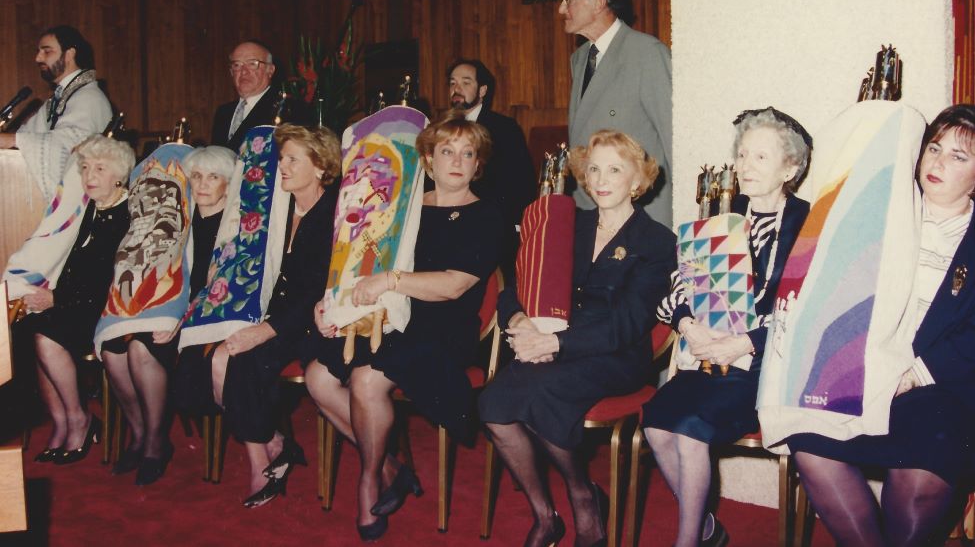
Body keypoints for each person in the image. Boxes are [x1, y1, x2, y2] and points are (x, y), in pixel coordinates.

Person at [305, 111, 503, 541]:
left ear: (477, 164)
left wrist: (390, 281)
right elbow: (359, 253)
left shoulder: (488, 215)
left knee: (366, 379)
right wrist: (333, 301)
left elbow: (454, 286)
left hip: (442, 327)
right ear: (428, 160)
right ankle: (393, 465)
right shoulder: (404, 202)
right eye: (446, 151)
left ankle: (368, 480)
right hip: (390, 315)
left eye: (467, 153)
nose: (457, 161)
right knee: (317, 377)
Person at [786, 104, 975, 547]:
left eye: (958, 156)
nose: (938, 162)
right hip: (866, 374)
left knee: (923, 469)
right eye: (934, 147)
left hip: (941, 385)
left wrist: (913, 374)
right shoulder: (883, 213)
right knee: (808, 441)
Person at [478, 129, 676, 547]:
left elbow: (629, 321)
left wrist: (556, 343)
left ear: (637, 181)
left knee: (544, 393)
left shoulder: (656, 242)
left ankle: (582, 495)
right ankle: (544, 515)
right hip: (549, 343)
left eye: (615, 170)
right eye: (594, 169)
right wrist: (519, 321)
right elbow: (516, 287)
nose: (602, 179)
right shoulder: (566, 223)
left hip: (614, 354)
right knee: (492, 404)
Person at [641, 107, 812, 547]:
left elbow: (805, 311)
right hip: (705, 355)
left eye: (760, 157)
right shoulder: (720, 213)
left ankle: (687, 542)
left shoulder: (808, 224)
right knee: (656, 425)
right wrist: (688, 325)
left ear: (790, 167)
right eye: (741, 155)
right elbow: (680, 282)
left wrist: (741, 343)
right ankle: (707, 528)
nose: (744, 167)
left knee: (692, 431)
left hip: (763, 366)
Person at [213, 124, 340, 507]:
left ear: (320, 167)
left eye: (291, 159)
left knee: (247, 358)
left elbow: (316, 292)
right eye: (280, 157)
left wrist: (265, 331)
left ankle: (266, 455)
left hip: (313, 319)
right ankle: (270, 447)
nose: (280, 166)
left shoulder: (334, 214)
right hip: (274, 312)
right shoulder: (279, 207)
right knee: (225, 357)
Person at [101, 145, 235, 485]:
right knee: (112, 350)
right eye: (196, 177)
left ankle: (155, 445)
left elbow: (220, 290)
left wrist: (181, 319)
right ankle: (140, 431)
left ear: (229, 184)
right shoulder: (181, 220)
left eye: (213, 177)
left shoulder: (233, 227)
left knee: (140, 350)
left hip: (205, 321)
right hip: (166, 312)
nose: (202, 185)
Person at [20, 135, 134, 464]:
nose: (89, 176)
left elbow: (107, 279)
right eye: (84, 168)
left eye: (99, 168)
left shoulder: (127, 214)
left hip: (108, 306)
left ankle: (79, 419)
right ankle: (61, 422)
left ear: (119, 175)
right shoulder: (87, 209)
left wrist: (55, 298)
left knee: (46, 337)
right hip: (73, 300)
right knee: (28, 328)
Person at [562, 0, 674, 229]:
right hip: (593, 213)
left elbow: (674, 141)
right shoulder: (579, 60)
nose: (560, 9)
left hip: (641, 215)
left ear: (599, 3)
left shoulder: (647, 53)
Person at [0, 26, 113, 202]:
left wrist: (12, 140)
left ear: (69, 54)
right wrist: (10, 140)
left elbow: (69, 143)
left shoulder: (88, 97)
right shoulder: (59, 99)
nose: (38, 58)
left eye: (46, 51)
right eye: (38, 52)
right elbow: (28, 135)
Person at [446, 58, 536, 268]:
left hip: (488, 226)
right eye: (452, 83)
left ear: (483, 90)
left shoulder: (504, 128)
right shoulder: (441, 130)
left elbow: (521, 186)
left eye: (466, 82)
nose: (456, 89)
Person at [211, 40, 280, 153]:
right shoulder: (223, 112)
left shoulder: (285, 109)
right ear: (231, 72)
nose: (243, 71)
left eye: (252, 64)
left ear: (270, 70)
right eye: (237, 65)